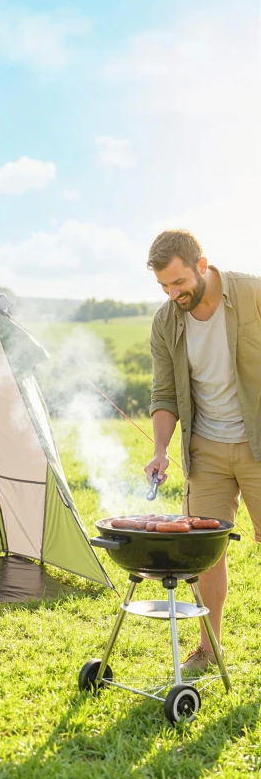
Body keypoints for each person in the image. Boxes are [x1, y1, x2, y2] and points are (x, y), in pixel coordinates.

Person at [144, 229, 261, 671]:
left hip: (258, 441)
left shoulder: (251, 293)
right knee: (205, 552)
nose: (174, 294)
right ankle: (209, 650)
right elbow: (165, 393)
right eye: (164, 287)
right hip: (206, 448)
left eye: (179, 283)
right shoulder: (166, 321)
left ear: (202, 265)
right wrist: (160, 449)